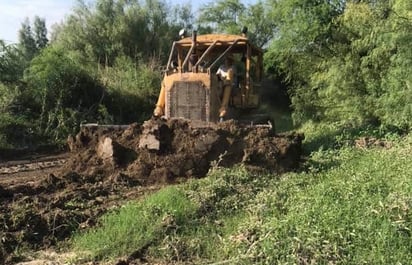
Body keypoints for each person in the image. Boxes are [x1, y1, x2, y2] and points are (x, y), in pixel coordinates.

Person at [216, 55, 236, 121]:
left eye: (228, 60)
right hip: (221, 83)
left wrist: (225, 79)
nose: (226, 61)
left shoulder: (232, 68)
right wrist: (221, 78)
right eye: (226, 60)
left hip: (229, 84)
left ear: (231, 61)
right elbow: (217, 74)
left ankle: (222, 112)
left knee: (227, 87)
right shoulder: (221, 67)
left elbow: (231, 76)